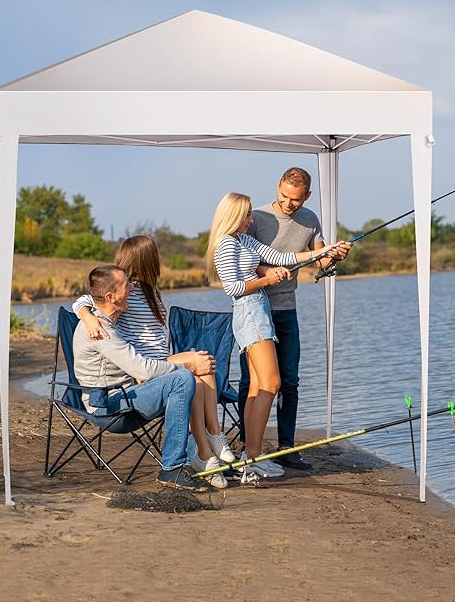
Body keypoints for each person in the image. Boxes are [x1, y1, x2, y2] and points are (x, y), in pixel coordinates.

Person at [73, 235, 235, 489]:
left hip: (126, 392)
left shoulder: (113, 316)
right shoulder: (100, 330)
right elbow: (141, 369)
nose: (131, 288)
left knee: (194, 369)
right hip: (108, 404)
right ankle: (175, 466)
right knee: (183, 378)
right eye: (126, 285)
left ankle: (205, 449)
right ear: (112, 297)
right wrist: (186, 366)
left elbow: (94, 297)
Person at [205, 192, 346, 479]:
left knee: (258, 386)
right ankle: (253, 459)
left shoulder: (242, 240)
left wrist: (325, 251)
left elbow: (281, 257)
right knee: (271, 383)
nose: (251, 219)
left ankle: (250, 457)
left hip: (259, 309)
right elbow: (232, 288)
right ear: (234, 216)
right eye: (247, 215)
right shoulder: (226, 244)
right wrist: (267, 279)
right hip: (249, 312)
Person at [239, 167, 351, 470]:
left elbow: (321, 260)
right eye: (284, 196)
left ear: (307, 196)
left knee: (289, 380)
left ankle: (286, 447)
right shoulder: (255, 218)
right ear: (278, 186)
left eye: (296, 200)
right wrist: (268, 272)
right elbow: (244, 261)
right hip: (255, 308)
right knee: (252, 381)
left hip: (287, 309)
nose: (289, 204)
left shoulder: (310, 220)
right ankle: (247, 445)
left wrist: (335, 256)